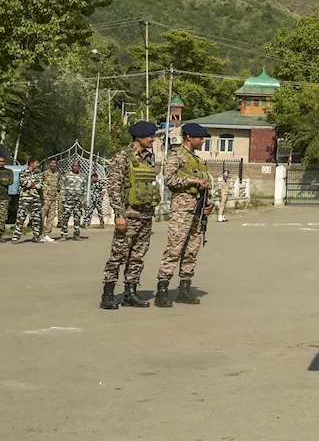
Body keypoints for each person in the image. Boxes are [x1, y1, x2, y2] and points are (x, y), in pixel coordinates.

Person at [100, 121, 160, 310]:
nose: (153, 140)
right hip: (129, 214)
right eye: (150, 136)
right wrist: (119, 215)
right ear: (139, 137)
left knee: (137, 256)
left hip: (145, 215)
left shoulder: (149, 158)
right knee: (118, 254)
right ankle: (108, 294)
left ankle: (130, 292)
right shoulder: (122, 157)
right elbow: (114, 187)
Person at [155, 123, 211, 307]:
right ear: (188, 137)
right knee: (174, 249)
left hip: (198, 210)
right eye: (199, 138)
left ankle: (184, 289)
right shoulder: (177, 155)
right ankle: (162, 290)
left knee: (191, 251)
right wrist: (194, 181)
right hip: (182, 210)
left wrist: (207, 204)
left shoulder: (197, 159)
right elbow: (169, 178)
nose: (202, 141)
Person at [12, 158, 42, 243]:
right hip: (25, 198)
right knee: (21, 217)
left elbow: (40, 184)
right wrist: (34, 184)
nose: (38, 165)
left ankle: (36, 236)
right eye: (36, 163)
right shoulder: (23, 173)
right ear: (31, 163)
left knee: (36, 218)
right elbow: (24, 183)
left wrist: (31, 185)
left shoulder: (38, 173)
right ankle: (16, 236)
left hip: (36, 198)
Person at [60, 162, 88, 239]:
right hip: (68, 200)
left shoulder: (83, 176)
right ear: (72, 167)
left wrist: (84, 200)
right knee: (65, 217)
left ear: (79, 167)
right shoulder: (66, 175)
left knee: (77, 217)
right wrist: (63, 198)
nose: (76, 167)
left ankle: (76, 234)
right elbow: (62, 187)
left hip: (78, 200)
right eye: (74, 166)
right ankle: (64, 234)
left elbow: (85, 189)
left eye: (77, 166)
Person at [38, 156, 62, 242]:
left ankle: (47, 234)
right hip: (45, 199)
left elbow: (59, 186)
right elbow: (40, 184)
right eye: (51, 163)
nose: (53, 164)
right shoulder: (44, 174)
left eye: (54, 163)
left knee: (51, 218)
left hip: (53, 199)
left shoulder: (58, 174)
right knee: (42, 216)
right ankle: (40, 234)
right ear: (49, 164)